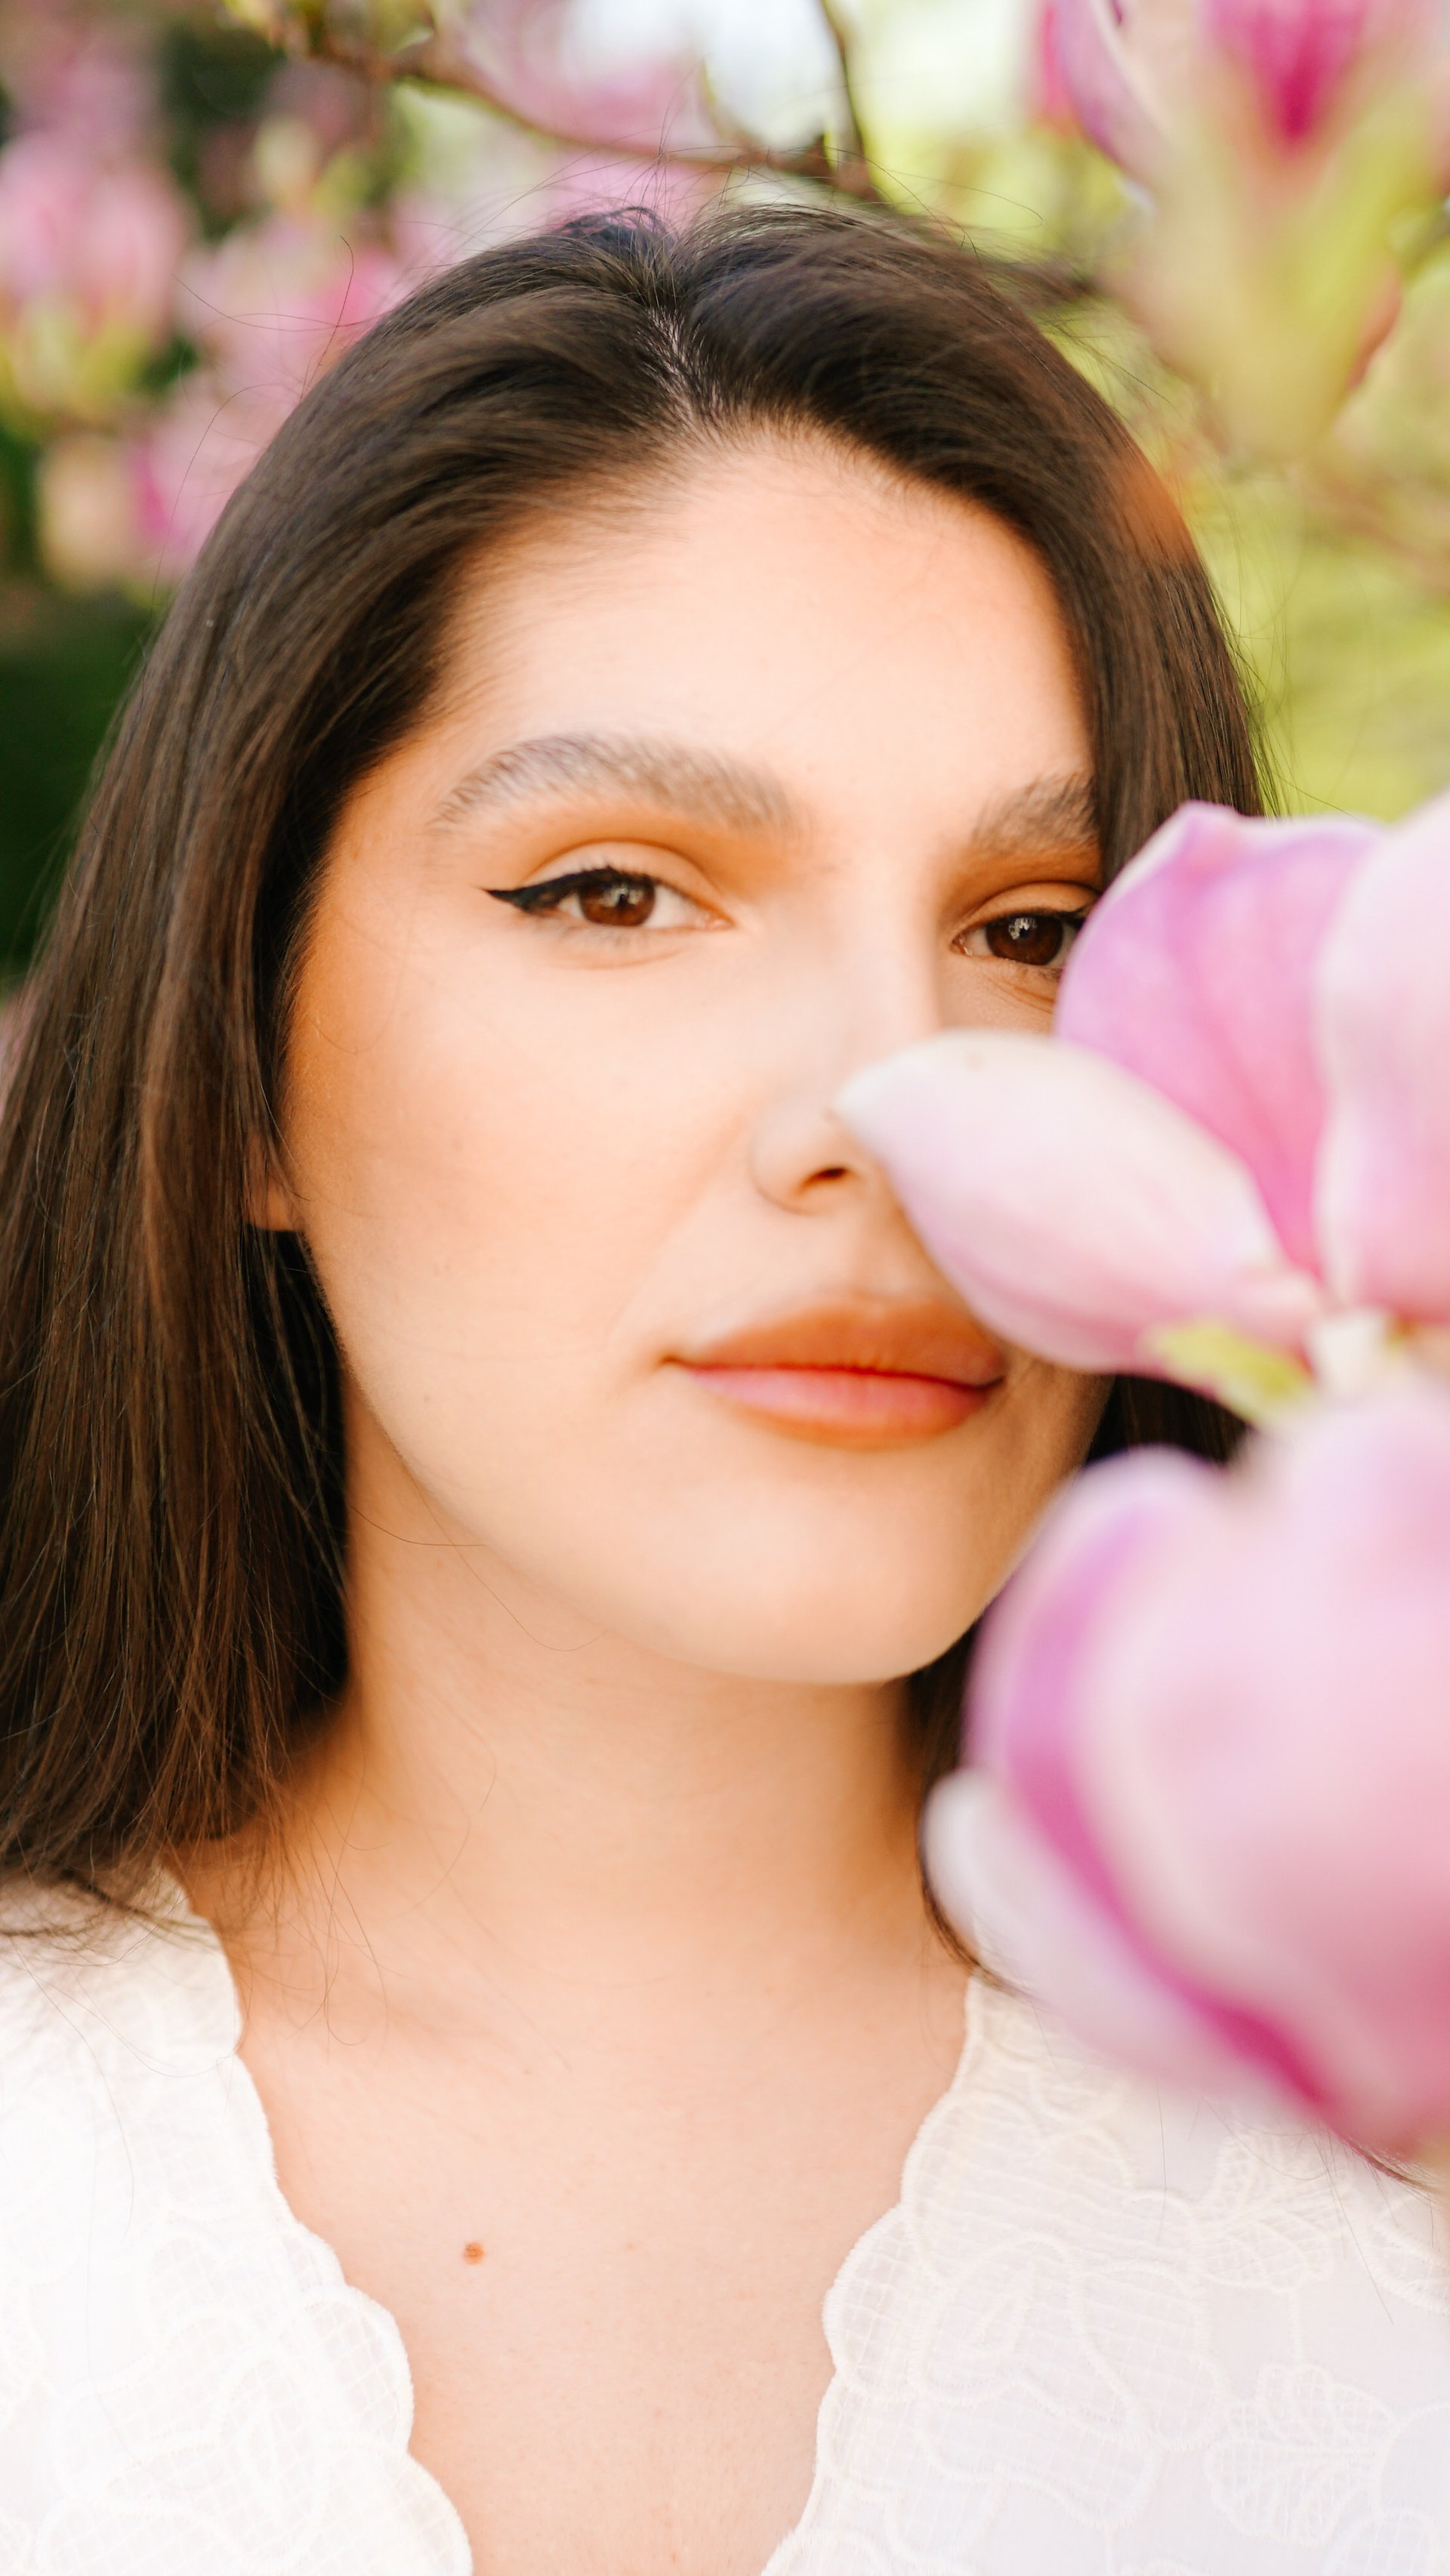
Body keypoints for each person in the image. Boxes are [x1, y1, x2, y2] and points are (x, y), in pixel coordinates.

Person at [0, 206, 1444, 2576]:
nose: (884, 1110)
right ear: (239, 1057)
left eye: (1032, 929)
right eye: (617, 891)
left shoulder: (1388, 2219)